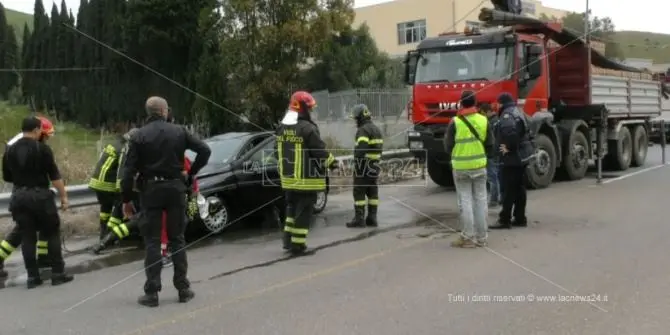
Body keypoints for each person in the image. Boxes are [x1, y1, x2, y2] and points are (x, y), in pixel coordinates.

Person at [121, 96, 210, 307]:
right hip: (175, 188)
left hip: (150, 190)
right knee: (177, 238)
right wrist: (190, 174)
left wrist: (126, 199)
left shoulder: (138, 136)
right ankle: (183, 288)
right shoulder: (179, 131)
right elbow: (205, 150)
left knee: (152, 241)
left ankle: (152, 292)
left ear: (149, 112)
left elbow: (127, 172)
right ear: (164, 111)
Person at [2, 116, 74, 288]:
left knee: (27, 237)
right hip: (40, 197)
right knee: (51, 233)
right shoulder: (43, 149)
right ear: (36, 130)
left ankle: (33, 278)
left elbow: (7, 177)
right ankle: (58, 274)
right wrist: (64, 198)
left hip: (19, 197)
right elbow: (55, 177)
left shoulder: (9, 150)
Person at [277, 91, 337, 255]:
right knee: (303, 213)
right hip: (305, 181)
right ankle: (298, 245)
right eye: (309, 108)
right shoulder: (308, 129)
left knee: (291, 211)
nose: (311, 112)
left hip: (288, 180)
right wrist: (333, 163)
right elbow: (319, 152)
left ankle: (288, 241)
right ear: (302, 108)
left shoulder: (282, 127)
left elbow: (278, 152)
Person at [0, 116, 55, 278]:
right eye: (47, 135)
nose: (47, 139)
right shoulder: (26, 147)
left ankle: (44, 258)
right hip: (29, 195)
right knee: (23, 231)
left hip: (23, 193)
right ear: (38, 131)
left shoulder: (18, 146)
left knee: (42, 226)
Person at [444, 91, 494, 248]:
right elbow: (491, 145)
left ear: (461, 103)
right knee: (481, 200)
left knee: (465, 201)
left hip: (461, 168)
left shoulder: (455, 122)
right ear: (475, 103)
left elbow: (447, 145)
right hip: (480, 166)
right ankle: (482, 238)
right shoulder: (484, 120)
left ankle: (468, 237)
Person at [489, 93, 534, 229]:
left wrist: (508, 148)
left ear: (501, 103)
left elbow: (511, 134)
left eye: (497, 104)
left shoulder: (507, 115)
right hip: (522, 156)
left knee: (508, 189)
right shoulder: (517, 111)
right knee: (519, 188)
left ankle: (504, 219)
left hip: (512, 159)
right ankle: (520, 218)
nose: (495, 107)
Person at [346, 104, 384, 228]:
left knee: (359, 192)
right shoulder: (376, 129)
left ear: (361, 118)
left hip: (363, 166)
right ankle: (372, 218)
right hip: (374, 166)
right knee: (372, 191)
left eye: (356, 118)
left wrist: (356, 162)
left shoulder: (363, 130)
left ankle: (359, 219)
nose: (355, 121)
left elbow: (361, 149)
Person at [88, 132, 125, 241]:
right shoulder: (124, 149)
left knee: (105, 209)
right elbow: (121, 171)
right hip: (107, 184)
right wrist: (121, 190)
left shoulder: (112, 145)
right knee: (119, 206)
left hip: (96, 182)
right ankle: (109, 236)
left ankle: (103, 233)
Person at [481, 102, 502, 207]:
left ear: (488, 111)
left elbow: (488, 139)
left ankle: (494, 200)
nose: (483, 116)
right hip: (498, 152)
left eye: (484, 114)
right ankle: (501, 198)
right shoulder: (498, 120)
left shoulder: (489, 123)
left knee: (492, 177)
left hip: (491, 153)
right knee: (498, 175)